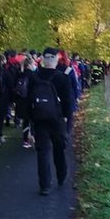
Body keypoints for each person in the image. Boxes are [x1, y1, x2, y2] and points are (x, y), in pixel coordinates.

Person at [28, 47, 73, 195]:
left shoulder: (35, 77)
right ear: (55, 59)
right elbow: (68, 100)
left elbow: (28, 99)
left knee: (43, 152)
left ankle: (45, 185)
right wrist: (67, 117)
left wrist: (30, 121)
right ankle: (61, 175)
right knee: (59, 149)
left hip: (39, 119)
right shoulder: (62, 77)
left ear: (43, 60)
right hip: (57, 119)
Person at [14, 54, 36, 149]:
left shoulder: (19, 74)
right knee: (33, 121)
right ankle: (34, 137)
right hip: (31, 101)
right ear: (30, 65)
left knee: (25, 121)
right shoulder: (33, 75)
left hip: (21, 102)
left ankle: (25, 140)